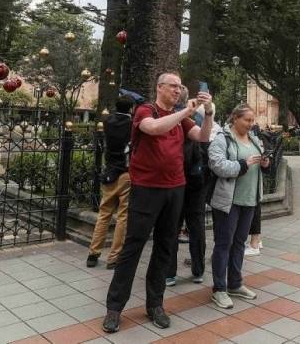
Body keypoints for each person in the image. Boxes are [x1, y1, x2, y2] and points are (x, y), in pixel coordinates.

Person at [102, 73, 213, 333]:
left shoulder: (181, 118)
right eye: (173, 86)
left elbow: (203, 137)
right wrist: (185, 110)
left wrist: (208, 114)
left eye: (180, 87)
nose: (178, 90)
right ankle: (114, 308)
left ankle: (155, 304)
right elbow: (153, 128)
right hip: (146, 189)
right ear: (159, 87)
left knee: (166, 246)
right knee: (133, 247)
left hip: (175, 189)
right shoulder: (145, 110)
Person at [208, 104, 270, 309]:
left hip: (249, 200)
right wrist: (243, 164)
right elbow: (217, 165)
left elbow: (259, 164)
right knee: (224, 243)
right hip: (228, 201)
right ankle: (219, 288)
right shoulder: (222, 139)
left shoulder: (253, 139)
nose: (251, 124)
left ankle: (235, 283)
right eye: (247, 120)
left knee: (239, 243)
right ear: (235, 118)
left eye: (253, 121)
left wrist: (264, 163)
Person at [166, 95, 210, 287]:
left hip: (177, 179)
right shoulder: (198, 118)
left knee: (172, 226)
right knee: (197, 224)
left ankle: (169, 273)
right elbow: (206, 141)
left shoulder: (169, 119)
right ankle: (198, 270)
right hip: (196, 178)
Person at [87, 95, 134, 269]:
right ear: (130, 109)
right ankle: (114, 257)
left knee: (104, 214)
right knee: (123, 216)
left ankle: (93, 254)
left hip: (109, 173)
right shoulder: (131, 124)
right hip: (124, 173)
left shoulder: (107, 122)